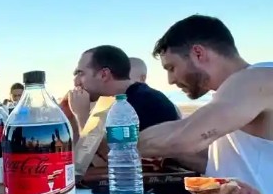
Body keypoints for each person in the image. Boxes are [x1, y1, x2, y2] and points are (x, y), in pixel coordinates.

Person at [139, 16, 273, 194]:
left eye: (171, 68)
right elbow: (223, 161)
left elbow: (185, 138)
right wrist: (166, 154)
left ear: (198, 53)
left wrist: (126, 146)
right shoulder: (231, 97)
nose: (170, 80)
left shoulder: (261, 79)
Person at [62, 45, 184, 180]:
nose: (76, 81)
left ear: (104, 74)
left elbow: (117, 158)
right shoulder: (119, 102)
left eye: (80, 73)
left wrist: (82, 116)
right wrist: (71, 118)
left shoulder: (143, 102)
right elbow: (87, 162)